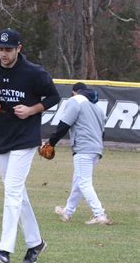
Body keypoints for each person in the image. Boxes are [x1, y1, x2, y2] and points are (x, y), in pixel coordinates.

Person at [0, 28, 60, 263]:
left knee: (11, 191)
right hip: (0, 137)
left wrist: (32, 110)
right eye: (1, 49)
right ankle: (35, 243)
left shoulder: (33, 73)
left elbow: (53, 97)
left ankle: (4, 250)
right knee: (17, 193)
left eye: (9, 49)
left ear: (19, 48)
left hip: (25, 138)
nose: (4, 53)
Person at [47, 82, 110, 225]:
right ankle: (67, 211)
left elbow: (64, 124)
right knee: (78, 181)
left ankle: (99, 214)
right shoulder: (96, 107)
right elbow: (103, 132)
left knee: (83, 182)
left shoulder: (75, 101)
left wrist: (51, 142)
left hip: (83, 148)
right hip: (96, 149)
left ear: (75, 92)